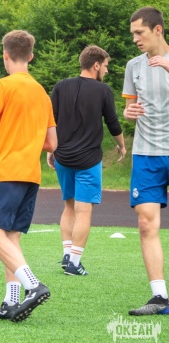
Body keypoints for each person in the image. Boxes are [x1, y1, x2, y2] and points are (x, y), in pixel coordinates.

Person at [0, 30, 57, 322]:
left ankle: (33, 285)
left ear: (5, 55)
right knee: (11, 238)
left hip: (6, 170)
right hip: (31, 173)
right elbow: (52, 143)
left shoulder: (2, 85)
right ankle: (11, 301)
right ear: (31, 56)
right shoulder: (42, 93)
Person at [47, 46, 126, 276]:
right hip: (88, 159)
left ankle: (66, 254)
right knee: (84, 211)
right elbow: (112, 123)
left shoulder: (61, 86)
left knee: (69, 206)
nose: (107, 71)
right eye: (106, 66)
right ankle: (74, 263)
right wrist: (122, 146)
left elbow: (51, 119)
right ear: (96, 65)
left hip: (63, 156)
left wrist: (50, 149)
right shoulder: (103, 90)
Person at [123, 7, 169, 316]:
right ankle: (160, 297)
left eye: (139, 32)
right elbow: (130, 107)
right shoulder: (134, 66)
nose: (135, 39)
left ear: (158, 30)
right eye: (133, 34)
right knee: (145, 223)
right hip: (146, 153)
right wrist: (129, 113)